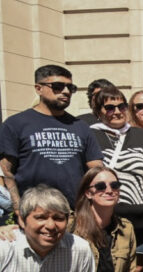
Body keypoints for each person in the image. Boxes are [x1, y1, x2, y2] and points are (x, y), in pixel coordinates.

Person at [0, 64, 104, 210]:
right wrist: (17, 209)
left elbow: (97, 169)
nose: (66, 91)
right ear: (38, 88)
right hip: (33, 214)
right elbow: (5, 171)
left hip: (75, 213)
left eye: (70, 87)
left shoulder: (81, 126)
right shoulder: (15, 124)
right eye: (58, 86)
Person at [88, 84, 143, 267]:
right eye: (110, 107)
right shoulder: (90, 135)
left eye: (122, 106)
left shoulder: (141, 136)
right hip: (106, 221)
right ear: (98, 111)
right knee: (110, 271)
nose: (117, 111)